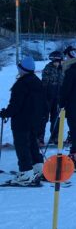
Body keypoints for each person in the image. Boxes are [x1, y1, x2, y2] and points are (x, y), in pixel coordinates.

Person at [0, 56, 46, 185]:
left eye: (19, 68)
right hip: (34, 120)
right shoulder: (37, 81)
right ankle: (38, 168)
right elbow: (44, 102)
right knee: (32, 143)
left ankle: (26, 173)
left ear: (23, 69)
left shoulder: (21, 84)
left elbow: (16, 105)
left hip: (22, 121)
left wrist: (5, 113)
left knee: (22, 146)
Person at [41, 51, 64, 145]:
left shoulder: (62, 70)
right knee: (43, 117)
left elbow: (63, 82)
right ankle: (39, 137)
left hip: (58, 97)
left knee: (55, 118)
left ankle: (55, 137)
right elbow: (44, 83)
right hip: (47, 96)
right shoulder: (47, 69)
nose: (59, 63)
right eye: (58, 61)